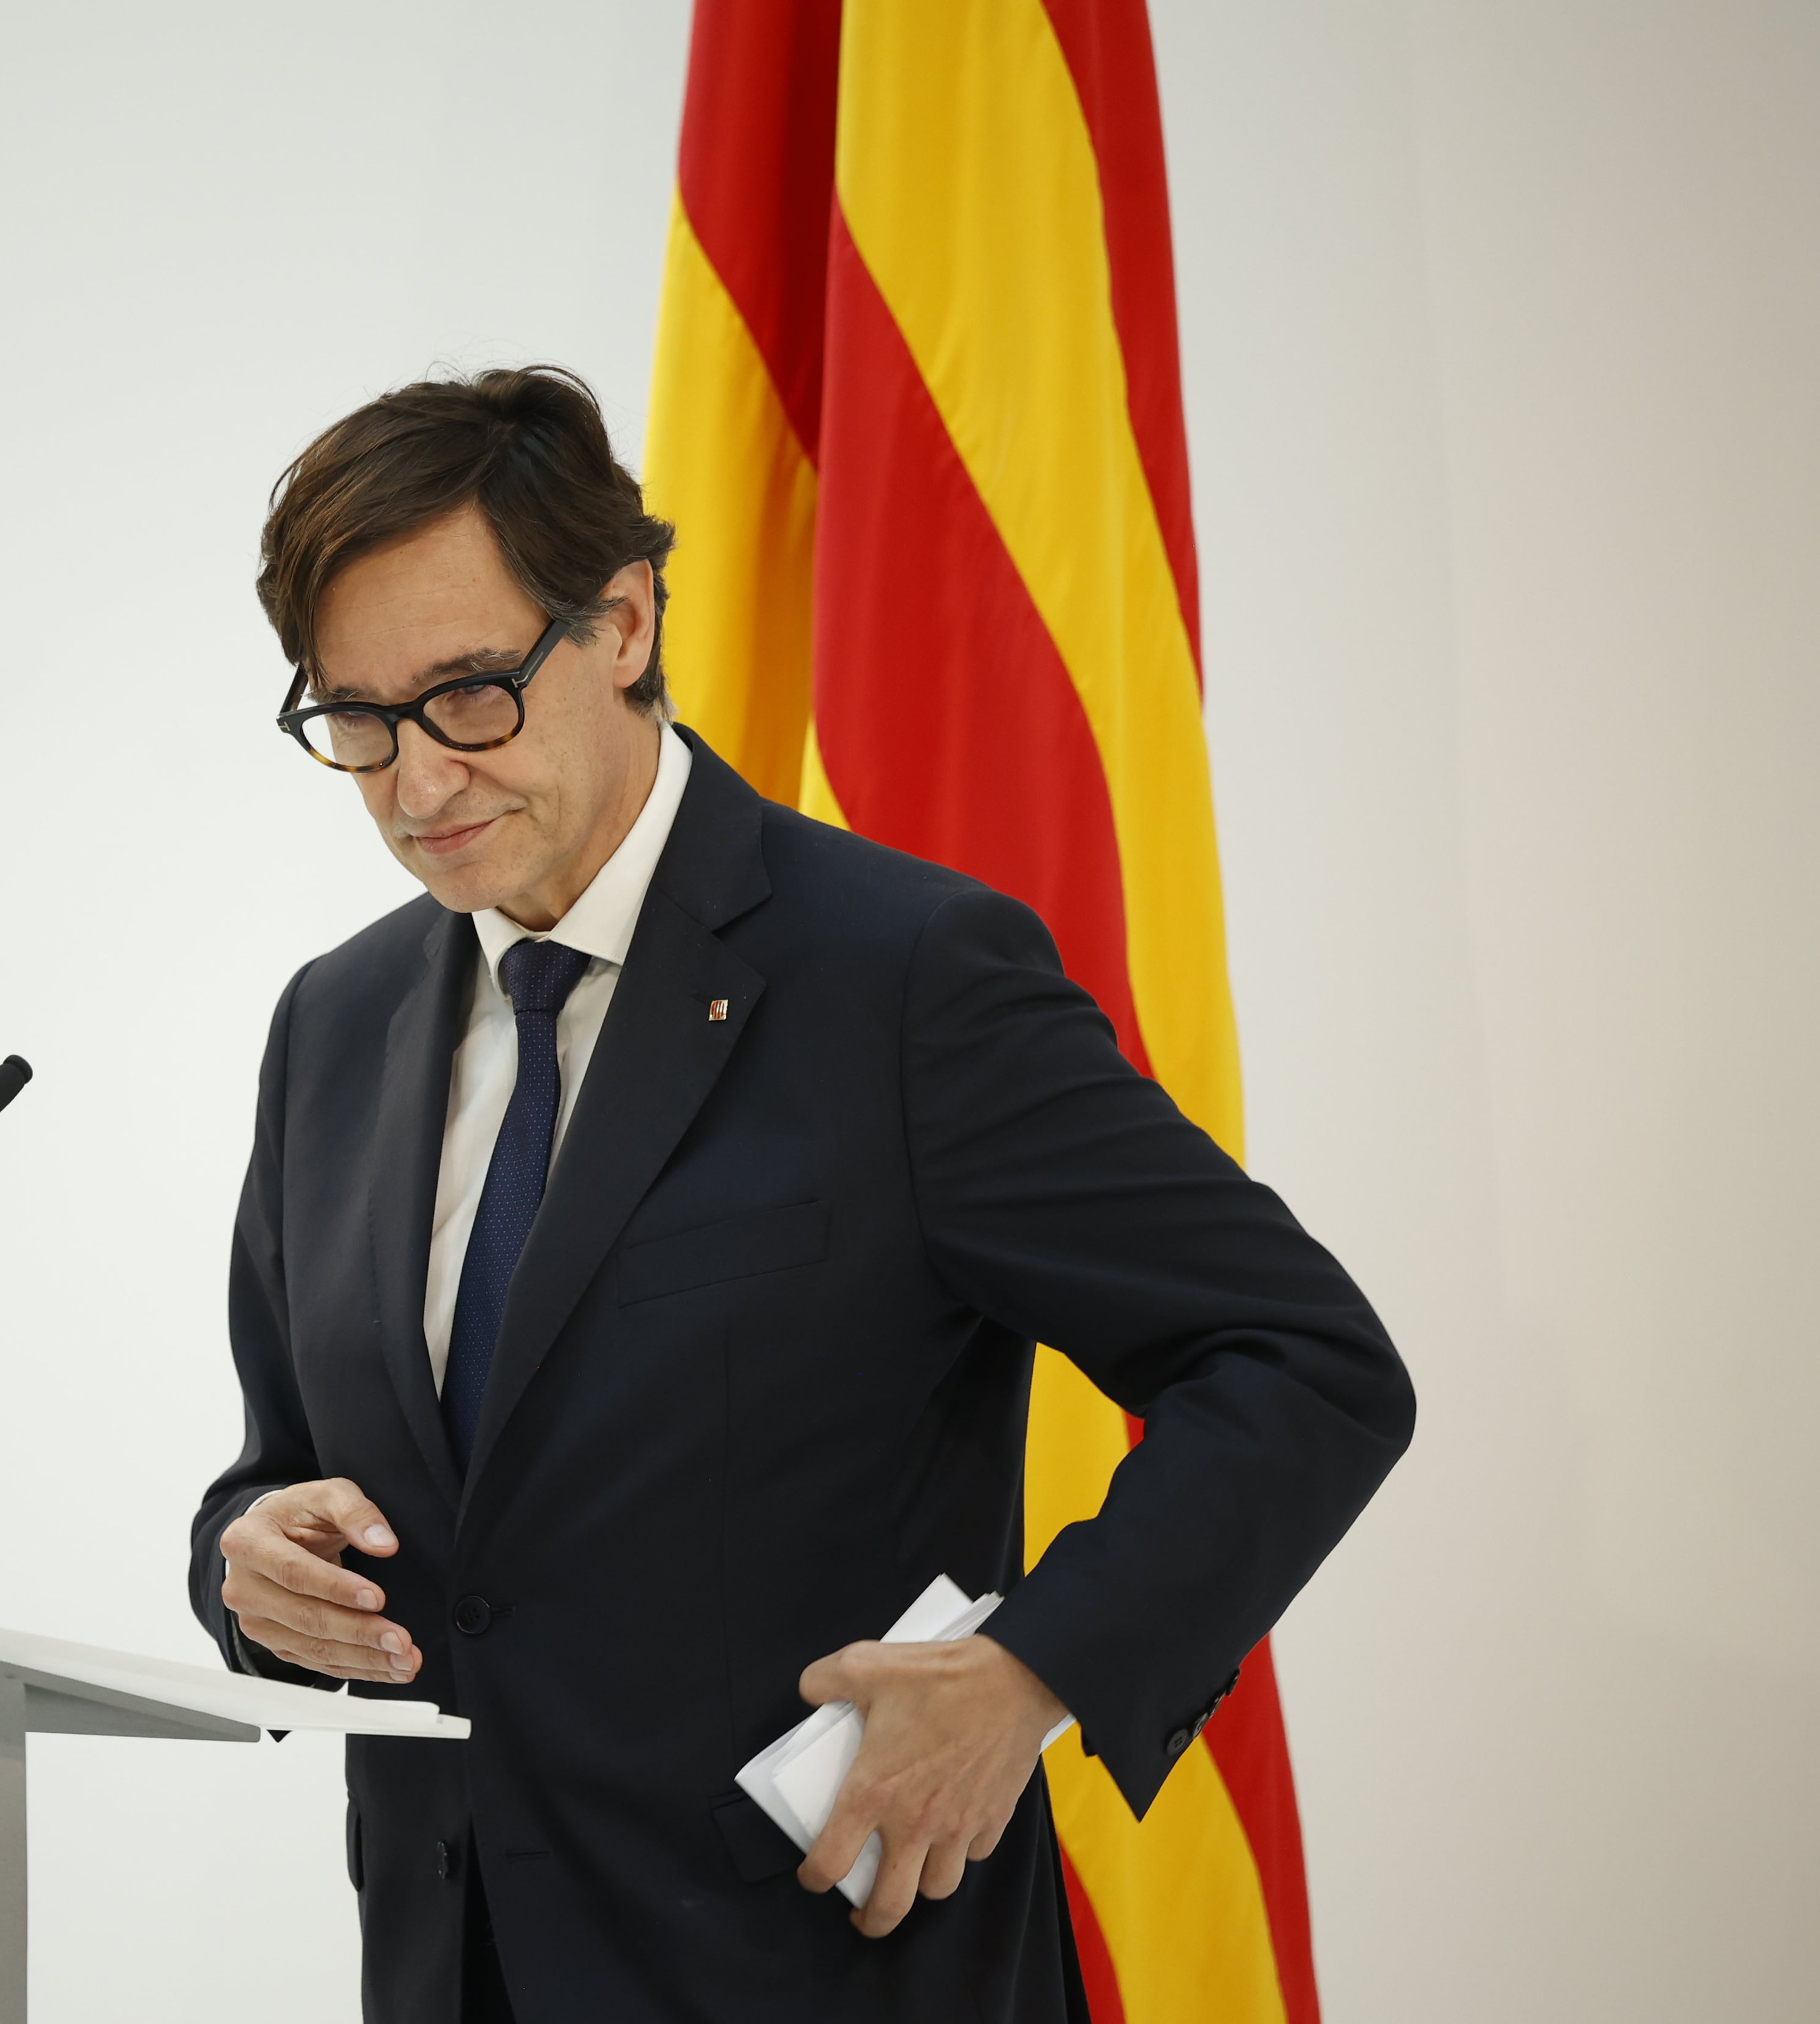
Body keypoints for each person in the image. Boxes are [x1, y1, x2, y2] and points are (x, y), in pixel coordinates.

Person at [187, 367, 1413, 2024]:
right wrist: (245, 1567)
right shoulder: (333, 1026)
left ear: (620, 621)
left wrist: (1028, 1674)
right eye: (356, 721)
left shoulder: (905, 978)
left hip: (825, 1969)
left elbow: (1299, 1362)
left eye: (469, 695)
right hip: (450, 1975)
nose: (415, 784)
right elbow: (292, 1480)